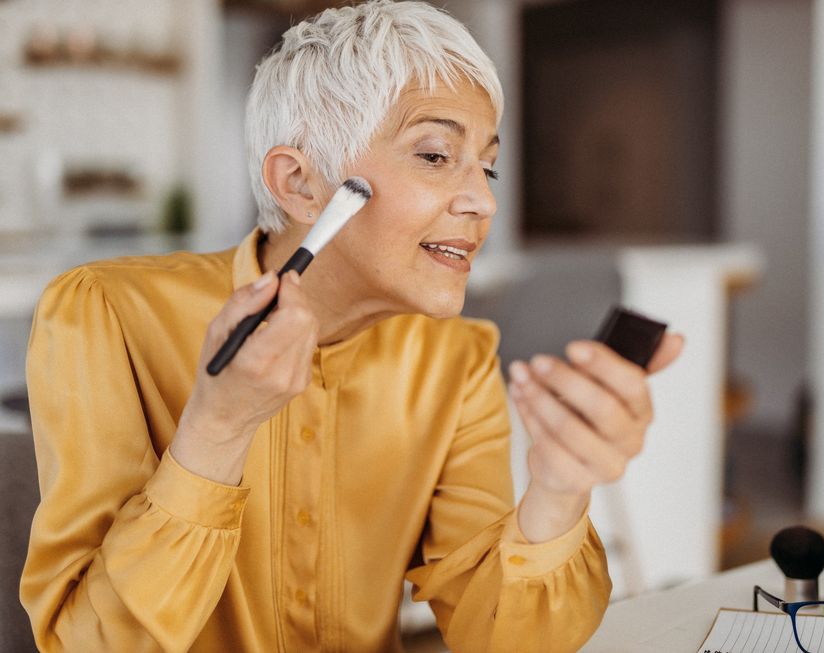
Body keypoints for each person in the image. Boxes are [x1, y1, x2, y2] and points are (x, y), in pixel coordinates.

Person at [20, 2, 684, 651]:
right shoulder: (105, 314)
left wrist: (559, 490)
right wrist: (216, 430)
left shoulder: (458, 360)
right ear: (302, 184)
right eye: (433, 155)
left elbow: (504, 639)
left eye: (487, 165)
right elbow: (90, 643)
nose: (483, 201)